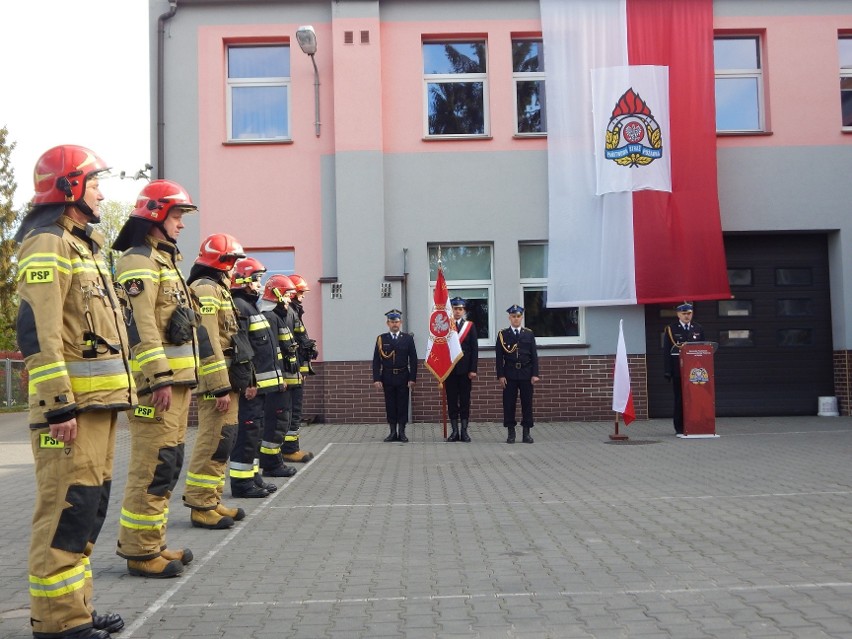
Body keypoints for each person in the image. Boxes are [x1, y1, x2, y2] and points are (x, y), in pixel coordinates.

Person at [16, 145, 135, 638]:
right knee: (64, 510)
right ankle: (57, 621)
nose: (103, 192)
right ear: (68, 188)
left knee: (86, 509)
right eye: (95, 183)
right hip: (70, 412)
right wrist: (56, 405)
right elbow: (37, 332)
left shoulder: (81, 244)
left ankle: (76, 611)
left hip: (98, 408)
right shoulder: (46, 244)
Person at [112, 180, 198, 577]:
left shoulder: (164, 262)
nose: (181, 224)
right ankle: (140, 551)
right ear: (156, 215)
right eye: (177, 215)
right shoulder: (137, 262)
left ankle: (154, 542)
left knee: (168, 462)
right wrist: (159, 377)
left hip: (174, 384)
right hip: (156, 386)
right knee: (152, 465)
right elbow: (140, 325)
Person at [181, 233, 248, 526]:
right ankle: (200, 504)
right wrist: (218, 385)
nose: (234, 268)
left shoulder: (216, 288)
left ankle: (212, 498)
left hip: (227, 380)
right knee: (213, 440)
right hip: (216, 382)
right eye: (232, 261)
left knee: (224, 440)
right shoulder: (206, 290)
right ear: (221, 261)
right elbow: (207, 340)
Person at [229, 257, 293, 498]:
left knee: (254, 434)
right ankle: (242, 484)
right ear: (244, 281)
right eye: (256, 279)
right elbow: (242, 349)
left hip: (260, 387)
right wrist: (249, 383)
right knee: (247, 435)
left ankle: (253, 477)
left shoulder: (250, 306)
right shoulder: (240, 306)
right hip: (251, 387)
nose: (259, 285)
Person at [257, 275, 304, 472]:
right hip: (277, 379)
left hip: (282, 376)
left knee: (280, 420)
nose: (290, 299)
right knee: (275, 422)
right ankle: (272, 463)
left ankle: (274, 461)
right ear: (276, 294)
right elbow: (272, 350)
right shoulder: (270, 316)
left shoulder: (280, 314)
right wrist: (279, 377)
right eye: (287, 295)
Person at [282, 274, 316, 462]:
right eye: (301, 292)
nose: (303, 296)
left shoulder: (293, 311)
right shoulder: (290, 313)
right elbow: (295, 343)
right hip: (290, 371)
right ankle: (289, 449)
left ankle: (289, 448)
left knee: (292, 411)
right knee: (293, 411)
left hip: (294, 369)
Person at [495, 305, 540, 444]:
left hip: (526, 373)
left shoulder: (528, 334)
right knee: (509, 404)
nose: (516, 319)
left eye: (518, 316)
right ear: (509, 318)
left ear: (521, 317)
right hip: (509, 373)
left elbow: (534, 355)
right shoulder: (503, 335)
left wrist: (535, 374)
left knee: (527, 403)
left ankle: (526, 432)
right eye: (513, 316)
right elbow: (498, 357)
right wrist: (500, 375)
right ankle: (511, 432)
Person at [372, 309, 418, 442]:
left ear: (401, 322)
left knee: (403, 404)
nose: (395, 324)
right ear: (388, 323)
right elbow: (376, 360)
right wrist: (377, 378)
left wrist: (412, 378)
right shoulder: (382, 339)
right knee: (390, 405)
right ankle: (392, 432)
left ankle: (402, 432)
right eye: (392, 322)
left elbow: (413, 359)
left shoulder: (407, 339)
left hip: (403, 375)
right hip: (387, 376)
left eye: (397, 322)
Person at [663, 302, 706, 435]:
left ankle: (695, 424)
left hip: (695, 372)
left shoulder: (698, 328)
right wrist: (668, 371)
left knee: (695, 398)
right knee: (680, 399)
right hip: (679, 371)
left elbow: (703, 350)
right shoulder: (671, 329)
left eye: (689, 313)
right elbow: (666, 352)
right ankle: (680, 427)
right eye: (684, 314)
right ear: (678, 314)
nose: (687, 316)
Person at [445, 297, 478, 442]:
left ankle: (464, 432)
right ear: (451, 310)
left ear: (464, 310)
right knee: (452, 401)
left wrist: (473, 369)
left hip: (465, 371)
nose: (457, 311)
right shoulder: (445, 326)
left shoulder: (469, 326)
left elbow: (474, 349)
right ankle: (454, 432)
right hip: (449, 371)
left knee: (464, 401)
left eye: (460, 309)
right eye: (455, 308)